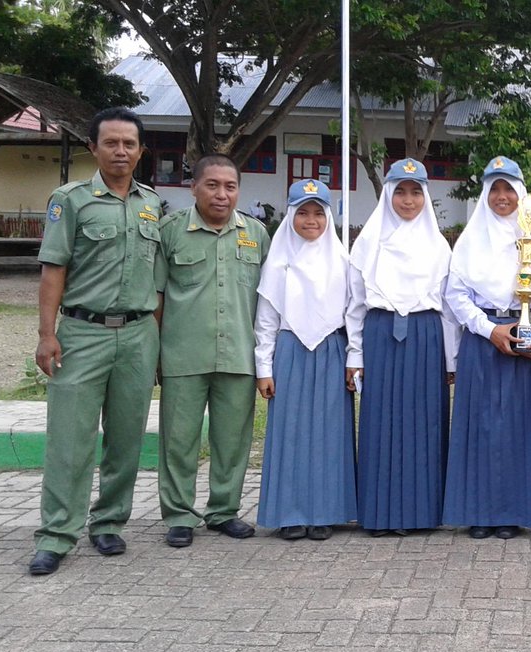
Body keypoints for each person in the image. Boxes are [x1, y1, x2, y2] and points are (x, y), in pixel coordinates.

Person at [28, 107, 163, 576]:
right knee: (70, 439)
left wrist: (159, 342)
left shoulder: (151, 205)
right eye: (111, 143)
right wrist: (47, 335)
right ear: (93, 148)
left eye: (130, 144)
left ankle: (109, 523)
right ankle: (56, 535)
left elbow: (158, 279)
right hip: (82, 333)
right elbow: (53, 269)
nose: (121, 151)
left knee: (126, 438)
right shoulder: (71, 200)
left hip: (139, 333)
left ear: (141, 151)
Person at [443, 157, 531, 539]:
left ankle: (512, 512)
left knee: (516, 427)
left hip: (526, 338)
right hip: (482, 339)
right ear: (485, 193)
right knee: (480, 427)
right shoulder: (470, 239)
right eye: (494, 188)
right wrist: (489, 329)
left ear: (521, 193)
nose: (502, 196)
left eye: (509, 188)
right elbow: (456, 297)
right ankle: (478, 512)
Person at [157, 154, 271, 548]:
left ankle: (223, 510)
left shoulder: (256, 234)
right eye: (212, 185)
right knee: (178, 441)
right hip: (182, 356)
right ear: (194, 187)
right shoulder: (170, 231)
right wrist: (155, 354)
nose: (221, 194)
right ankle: (179, 515)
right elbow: (157, 298)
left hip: (239, 355)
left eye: (230, 186)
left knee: (232, 441)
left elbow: (269, 302)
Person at [347, 158, 459, 536]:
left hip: (425, 336)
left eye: (415, 192)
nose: (408, 201)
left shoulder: (439, 246)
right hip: (381, 334)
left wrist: (450, 358)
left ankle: (421, 513)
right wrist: (355, 355)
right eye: (400, 192)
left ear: (425, 196)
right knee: (380, 423)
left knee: (424, 424)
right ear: (389, 194)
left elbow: (447, 309)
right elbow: (356, 305)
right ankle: (378, 514)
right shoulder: (368, 242)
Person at [254, 179, 356, 541]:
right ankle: (290, 513)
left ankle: (324, 511)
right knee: (291, 432)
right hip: (290, 351)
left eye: (318, 213)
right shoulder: (278, 261)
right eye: (302, 213)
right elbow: (266, 320)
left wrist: (353, 359)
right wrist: (263, 368)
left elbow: (353, 314)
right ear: (291, 216)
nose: (310, 221)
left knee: (329, 433)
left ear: (328, 216)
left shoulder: (342, 261)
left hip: (331, 350)